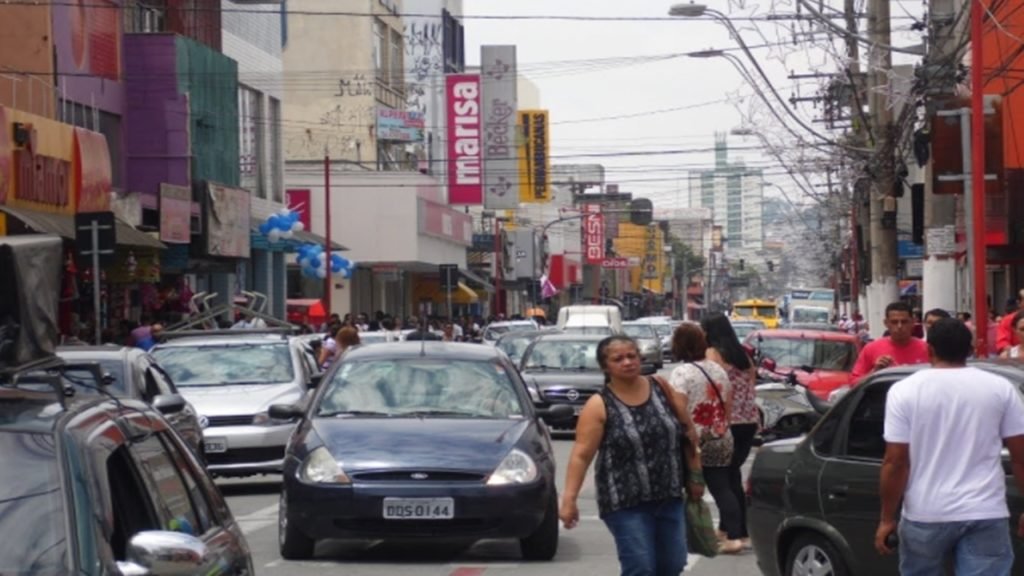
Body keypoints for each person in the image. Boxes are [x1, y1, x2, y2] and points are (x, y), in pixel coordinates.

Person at [875, 318, 1024, 575]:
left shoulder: (904, 391)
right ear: (969, 350)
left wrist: (887, 518)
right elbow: (1021, 456)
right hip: (985, 511)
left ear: (929, 349)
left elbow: (896, 462)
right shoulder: (1000, 389)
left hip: (925, 514)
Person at [560, 335, 703, 575]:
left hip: (669, 495)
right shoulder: (599, 404)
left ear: (640, 358)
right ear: (606, 366)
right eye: (618, 359)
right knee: (641, 568)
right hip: (625, 502)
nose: (627, 362)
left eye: (631, 356)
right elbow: (581, 455)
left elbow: (687, 432)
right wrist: (569, 499)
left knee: (673, 565)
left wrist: (696, 476)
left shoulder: (662, 388)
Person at [669, 323, 741, 554]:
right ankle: (733, 537)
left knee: (685, 487)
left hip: (694, 440)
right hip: (721, 434)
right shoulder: (717, 368)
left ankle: (688, 535)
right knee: (722, 487)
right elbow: (728, 404)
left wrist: (689, 433)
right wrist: (721, 426)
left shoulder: (682, 373)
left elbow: (679, 408)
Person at [700, 313, 758, 551]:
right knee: (732, 475)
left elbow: (711, 388)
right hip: (749, 421)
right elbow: (752, 387)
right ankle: (735, 531)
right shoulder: (744, 356)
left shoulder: (713, 354)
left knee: (720, 479)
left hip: (727, 421)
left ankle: (733, 534)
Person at [850, 302, 929, 382]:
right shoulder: (871, 349)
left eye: (904, 322)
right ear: (886, 323)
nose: (899, 326)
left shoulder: (927, 349)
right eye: (894, 322)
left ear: (912, 322)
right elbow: (854, 383)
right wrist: (875, 372)